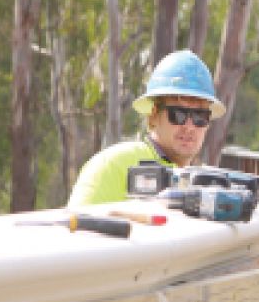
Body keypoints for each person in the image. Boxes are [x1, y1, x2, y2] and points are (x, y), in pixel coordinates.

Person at [67, 49, 225, 207]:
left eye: (199, 116)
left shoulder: (205, 187)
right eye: (178, 114)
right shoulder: (112, 165)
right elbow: (77, 226)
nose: (189, 127)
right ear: (154, 115)